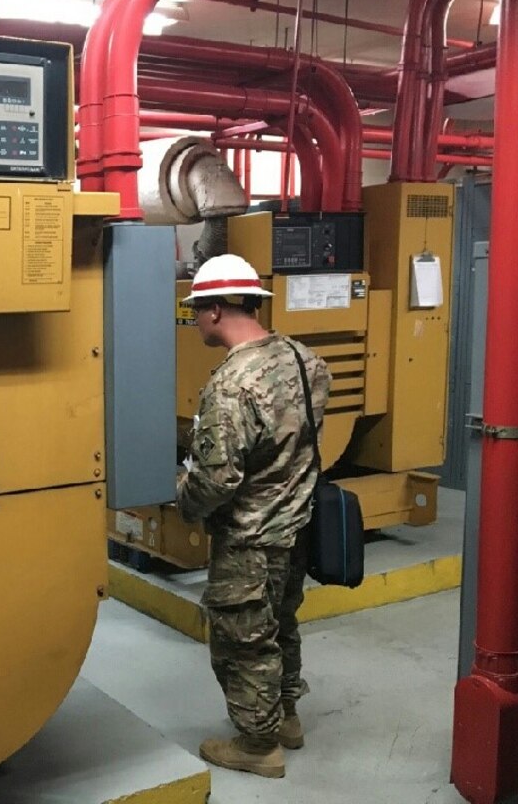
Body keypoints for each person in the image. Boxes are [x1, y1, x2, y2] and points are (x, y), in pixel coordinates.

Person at [176, 253, 331, 779]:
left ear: (217, 310)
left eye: (197, 309)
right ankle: (287, 717)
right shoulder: (304, 360)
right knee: (281, 625)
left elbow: (217, 480)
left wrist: (183, 499)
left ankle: (258, 745)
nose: (195, 319)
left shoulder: (231, 386)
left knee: (243, 642)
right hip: (296, 528)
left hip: (250, 541)